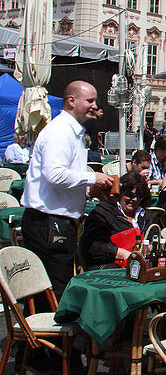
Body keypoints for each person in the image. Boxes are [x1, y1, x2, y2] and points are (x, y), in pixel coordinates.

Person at [20, 81, 113, 296]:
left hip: (56, 222)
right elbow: (54, 176)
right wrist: (93, 178)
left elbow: (63, 179)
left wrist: (91, 192)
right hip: (49, 223)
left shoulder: (72, 132)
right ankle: (44, 329)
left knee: (53, 290)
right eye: (89, 100)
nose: (95, 106)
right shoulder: (61, 131)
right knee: (54, 291)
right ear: (72, 101)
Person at [81, 171, 152, 271]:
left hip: (139, 268)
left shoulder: (145, 216)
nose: (135, 199)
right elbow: (93, 247)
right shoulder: (102, 214)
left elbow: (155, 237)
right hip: (108, 268)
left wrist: (151, 246)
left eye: (139, 196)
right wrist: (121, 253)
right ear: (120, 192)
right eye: (129, 195)